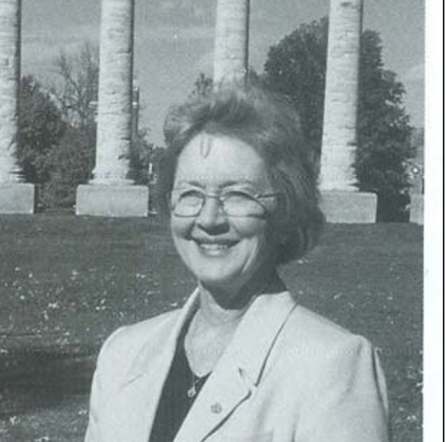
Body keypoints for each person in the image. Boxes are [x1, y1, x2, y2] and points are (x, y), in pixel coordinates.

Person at [85, 85, 389, 442]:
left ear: (284, 210)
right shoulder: (123, 354)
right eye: (191, 195)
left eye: (238, 195)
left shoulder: (333, 365)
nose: (210, 218)